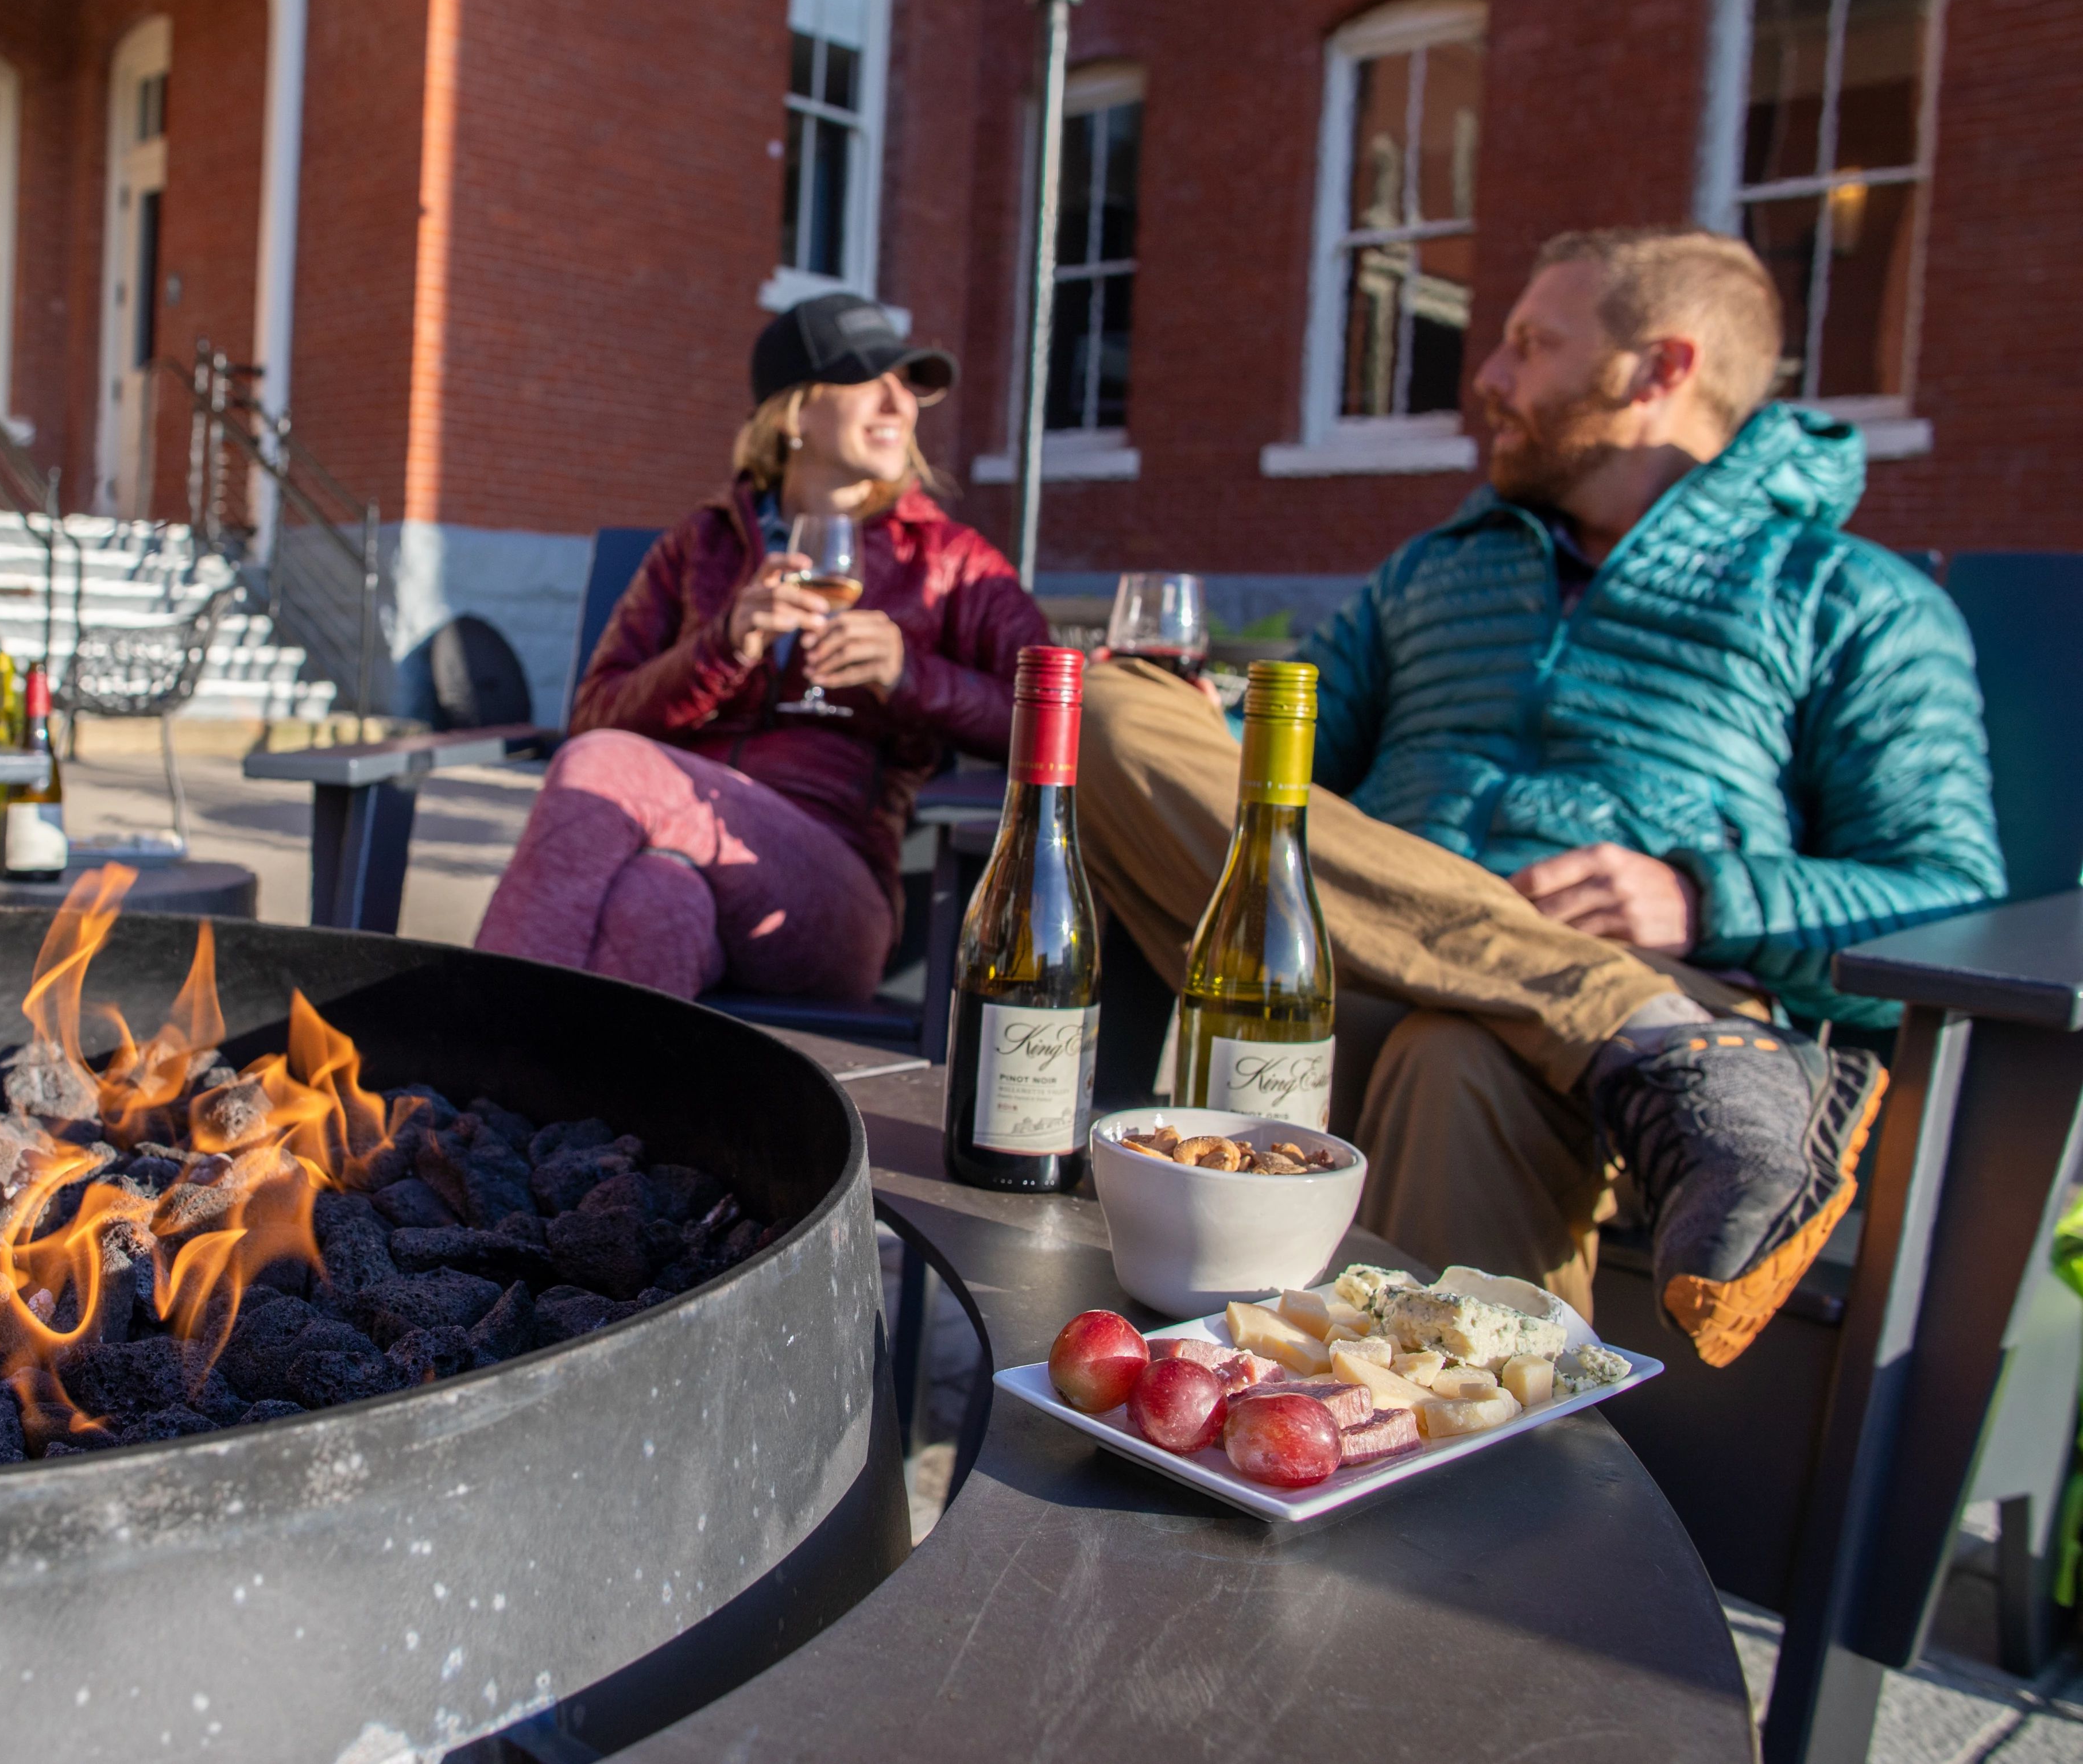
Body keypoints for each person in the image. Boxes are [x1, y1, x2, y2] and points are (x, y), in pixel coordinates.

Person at [1075, 227, 2003, 1365]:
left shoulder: (1847, 600)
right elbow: (1260, 763)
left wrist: (1702, 896)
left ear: (1657, 368)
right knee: (1102, 707)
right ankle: (1634, 1024)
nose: (1489, 378)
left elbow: (1955, 896)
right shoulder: (1435, 569)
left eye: (1530, 344)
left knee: (1458, 1050)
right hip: (1359, 974)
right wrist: (1186, 733)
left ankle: (1433, 1502)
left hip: (1590, 1054)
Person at [475, 295, 1052, 1003]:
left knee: (599, 768)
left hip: (831, 893)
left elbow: (1053, 713)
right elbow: (596, 712)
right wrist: (723, 646)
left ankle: (460, 1050)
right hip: (687, 859)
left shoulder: (948, 559)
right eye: (869, 379)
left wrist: (911, 675)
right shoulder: (700, 545)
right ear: (795, 411)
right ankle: (564, 1116)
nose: (897, 403)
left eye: (907, 384)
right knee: (656, 902)